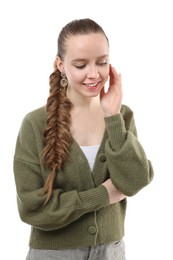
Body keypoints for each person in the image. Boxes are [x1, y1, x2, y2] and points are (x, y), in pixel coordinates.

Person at [13, 18, 154, 260]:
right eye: (80, 65)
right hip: (53, 254)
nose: (94, 74)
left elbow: (134, 182)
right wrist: (101, 195)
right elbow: (31, 207)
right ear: (61, 64)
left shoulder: (121, 115)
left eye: (102, 62)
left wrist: (112, 117)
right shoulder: (35, 124)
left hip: (112, 251)